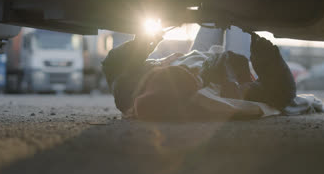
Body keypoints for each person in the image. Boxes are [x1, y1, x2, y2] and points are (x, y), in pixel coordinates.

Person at [102, 27, 296, 120]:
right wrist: (265, 51)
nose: (192, 74)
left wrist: (143, 42)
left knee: (213, 20)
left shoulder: (127, 91)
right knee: (238, 22)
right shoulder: (215, 98)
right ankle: (234, 11)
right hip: (220, 62)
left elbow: (112, 63)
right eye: (193, 78)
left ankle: (218, 4)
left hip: (195, 56)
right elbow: (282, 94)